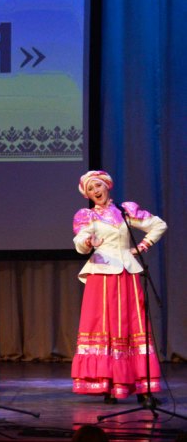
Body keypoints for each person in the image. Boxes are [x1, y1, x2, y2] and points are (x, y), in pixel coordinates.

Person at [71, 170, 166, 404]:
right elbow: (79, 242)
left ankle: (143, 388)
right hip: (102, 276)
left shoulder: (125, 211)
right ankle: (108, 385)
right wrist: (88, 241)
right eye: (90, 189)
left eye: (98, 186)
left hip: (127, 274)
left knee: (133, 326)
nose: (95, 191)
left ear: (106, 186)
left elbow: (158, 225)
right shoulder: (87, 216)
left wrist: (142, 246)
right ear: (87, 195)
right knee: (105, 327)